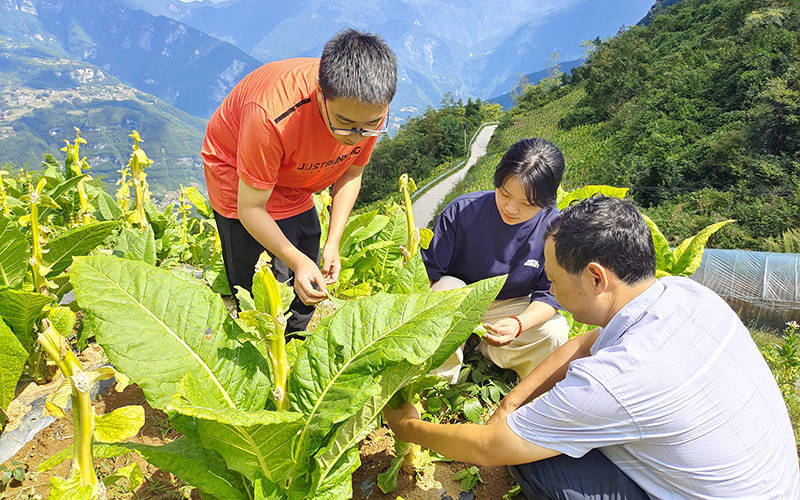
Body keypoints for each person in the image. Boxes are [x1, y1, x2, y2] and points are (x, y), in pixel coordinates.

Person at [385, 196, 800, 498]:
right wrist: (510, 403)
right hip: (772, 484)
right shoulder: (685, 293)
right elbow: (587, 341)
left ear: (596, 277)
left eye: (553, 279)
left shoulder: (610, 383)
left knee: (534, 461)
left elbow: (491, 448)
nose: (550, 290)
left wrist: (406, 427)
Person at [202, 28, 397, 333]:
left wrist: (333, 243)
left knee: (307, 265)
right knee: (257, 287)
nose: (357, 136)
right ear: (320, 93)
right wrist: (296, 261)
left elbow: (352, 172)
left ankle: (294, 340)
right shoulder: (271, 115)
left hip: (297, 175)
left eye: (370, 125)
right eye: (345, 124)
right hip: (239, 172)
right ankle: (257, 341)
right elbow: (250, 207)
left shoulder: (367, 109)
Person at [421, 138, 569, 381]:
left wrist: (518, 324)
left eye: (527, 204)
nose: (510, 208)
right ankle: (438, 379)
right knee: (447, 288)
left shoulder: (555, 229)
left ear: (547, 200)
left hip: (510, 306)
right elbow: (428, 274)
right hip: (461, 299)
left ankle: (486, 350)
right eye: (504, 193)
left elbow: (548, 296)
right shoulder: (462, 210)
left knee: (554, 332)